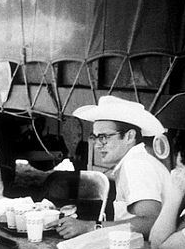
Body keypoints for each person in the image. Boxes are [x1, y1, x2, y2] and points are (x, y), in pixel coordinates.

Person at [55, 96, 171, 240]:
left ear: (129, 136)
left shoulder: (136, 165)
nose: (97, 144)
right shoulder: (137, 159)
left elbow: (151, 222)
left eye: (104, 137)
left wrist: (90, 227)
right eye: (95, 137)